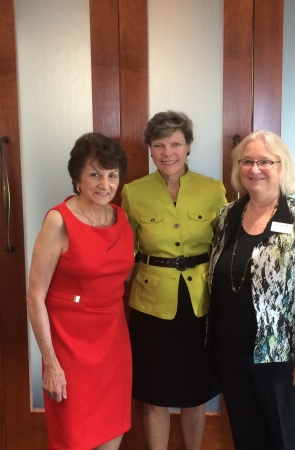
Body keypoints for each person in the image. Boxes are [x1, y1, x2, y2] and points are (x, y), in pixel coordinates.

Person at [208, 130, 295, 450]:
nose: (254, 168)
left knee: (285, 440)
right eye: (247, 161)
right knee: (247, 439)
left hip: (284, 357)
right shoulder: (226, 216)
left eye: (265, 161)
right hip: (232, 354)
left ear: (281, 166)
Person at [121, 111, 227, 450]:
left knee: (195, 393)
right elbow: (124, 250)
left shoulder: (214, 190)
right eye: (159, 144)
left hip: (200, 303)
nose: (168, 152)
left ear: (189, 147)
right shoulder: (133, 192)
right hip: (151, 305)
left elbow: (226, 248)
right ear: (150, 150)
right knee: (154, 394)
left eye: (176, 144)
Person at [27, 133, 134, 450]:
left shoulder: (121, 219)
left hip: (113, 341)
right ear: (77, 177)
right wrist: (51, 364)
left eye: (112, 175)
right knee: (72, 438)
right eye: (95, 174)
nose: (105, 183)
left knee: (113, 429)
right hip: (69, 346)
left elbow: (117, 274)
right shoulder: (58, 221)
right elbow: (35, 296)